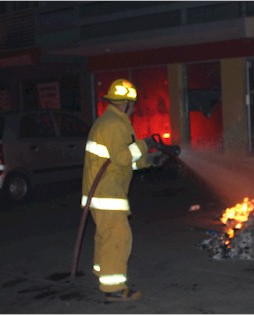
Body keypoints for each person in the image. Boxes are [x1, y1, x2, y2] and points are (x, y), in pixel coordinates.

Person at [81, 79, 168, 302]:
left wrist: (149, 161)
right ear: (127, 104)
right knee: (119, 237)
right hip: (107, 192)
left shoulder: (111, 121)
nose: (134, 109)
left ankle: (103, 274)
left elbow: (120, 159)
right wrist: (145, 144)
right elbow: (122, 157)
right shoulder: (114, 124)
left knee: (105, 235)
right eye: (133, 105)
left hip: (100, 192)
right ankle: (114, 288)